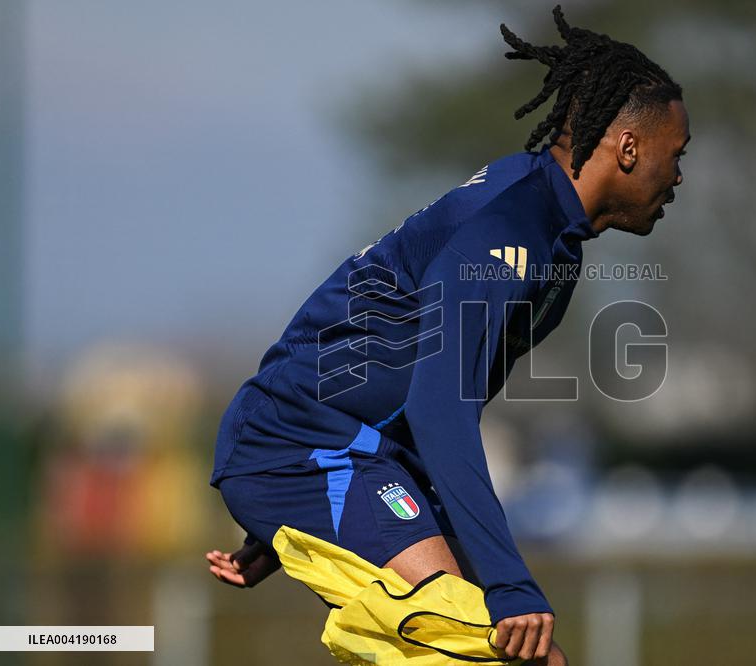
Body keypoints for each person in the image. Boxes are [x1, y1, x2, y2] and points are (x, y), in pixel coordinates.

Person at [205, 5, 689, 664]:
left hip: (340, 453)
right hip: (305, 446)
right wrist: (513, 582)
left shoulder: (553, 234)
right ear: (630, 148)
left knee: (522, 656)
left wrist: (292, 524)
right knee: (475, 652)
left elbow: (399, 373)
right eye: (675, 154)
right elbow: (440, 408)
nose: (679, 177)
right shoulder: (509, 231)